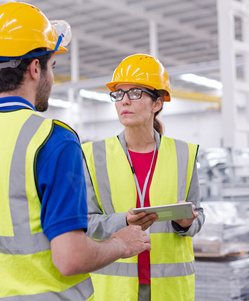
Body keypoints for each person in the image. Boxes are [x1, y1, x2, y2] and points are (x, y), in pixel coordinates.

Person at [0, 2, 151, 300]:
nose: (51, 77)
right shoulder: (52, 139)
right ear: (36, 68)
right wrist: (121, 244)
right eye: (52, 67)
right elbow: (70, 258)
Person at [82, 54, 205, 301]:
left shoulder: (184, 153)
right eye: (118, 94)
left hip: (170, 289)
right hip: (114, 290)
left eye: (135, 93)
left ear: (157, 103)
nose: (124, 101)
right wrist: (123, 222)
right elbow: (84, 223)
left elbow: (198, 213)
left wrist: (187, 224)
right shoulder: (93, 156)